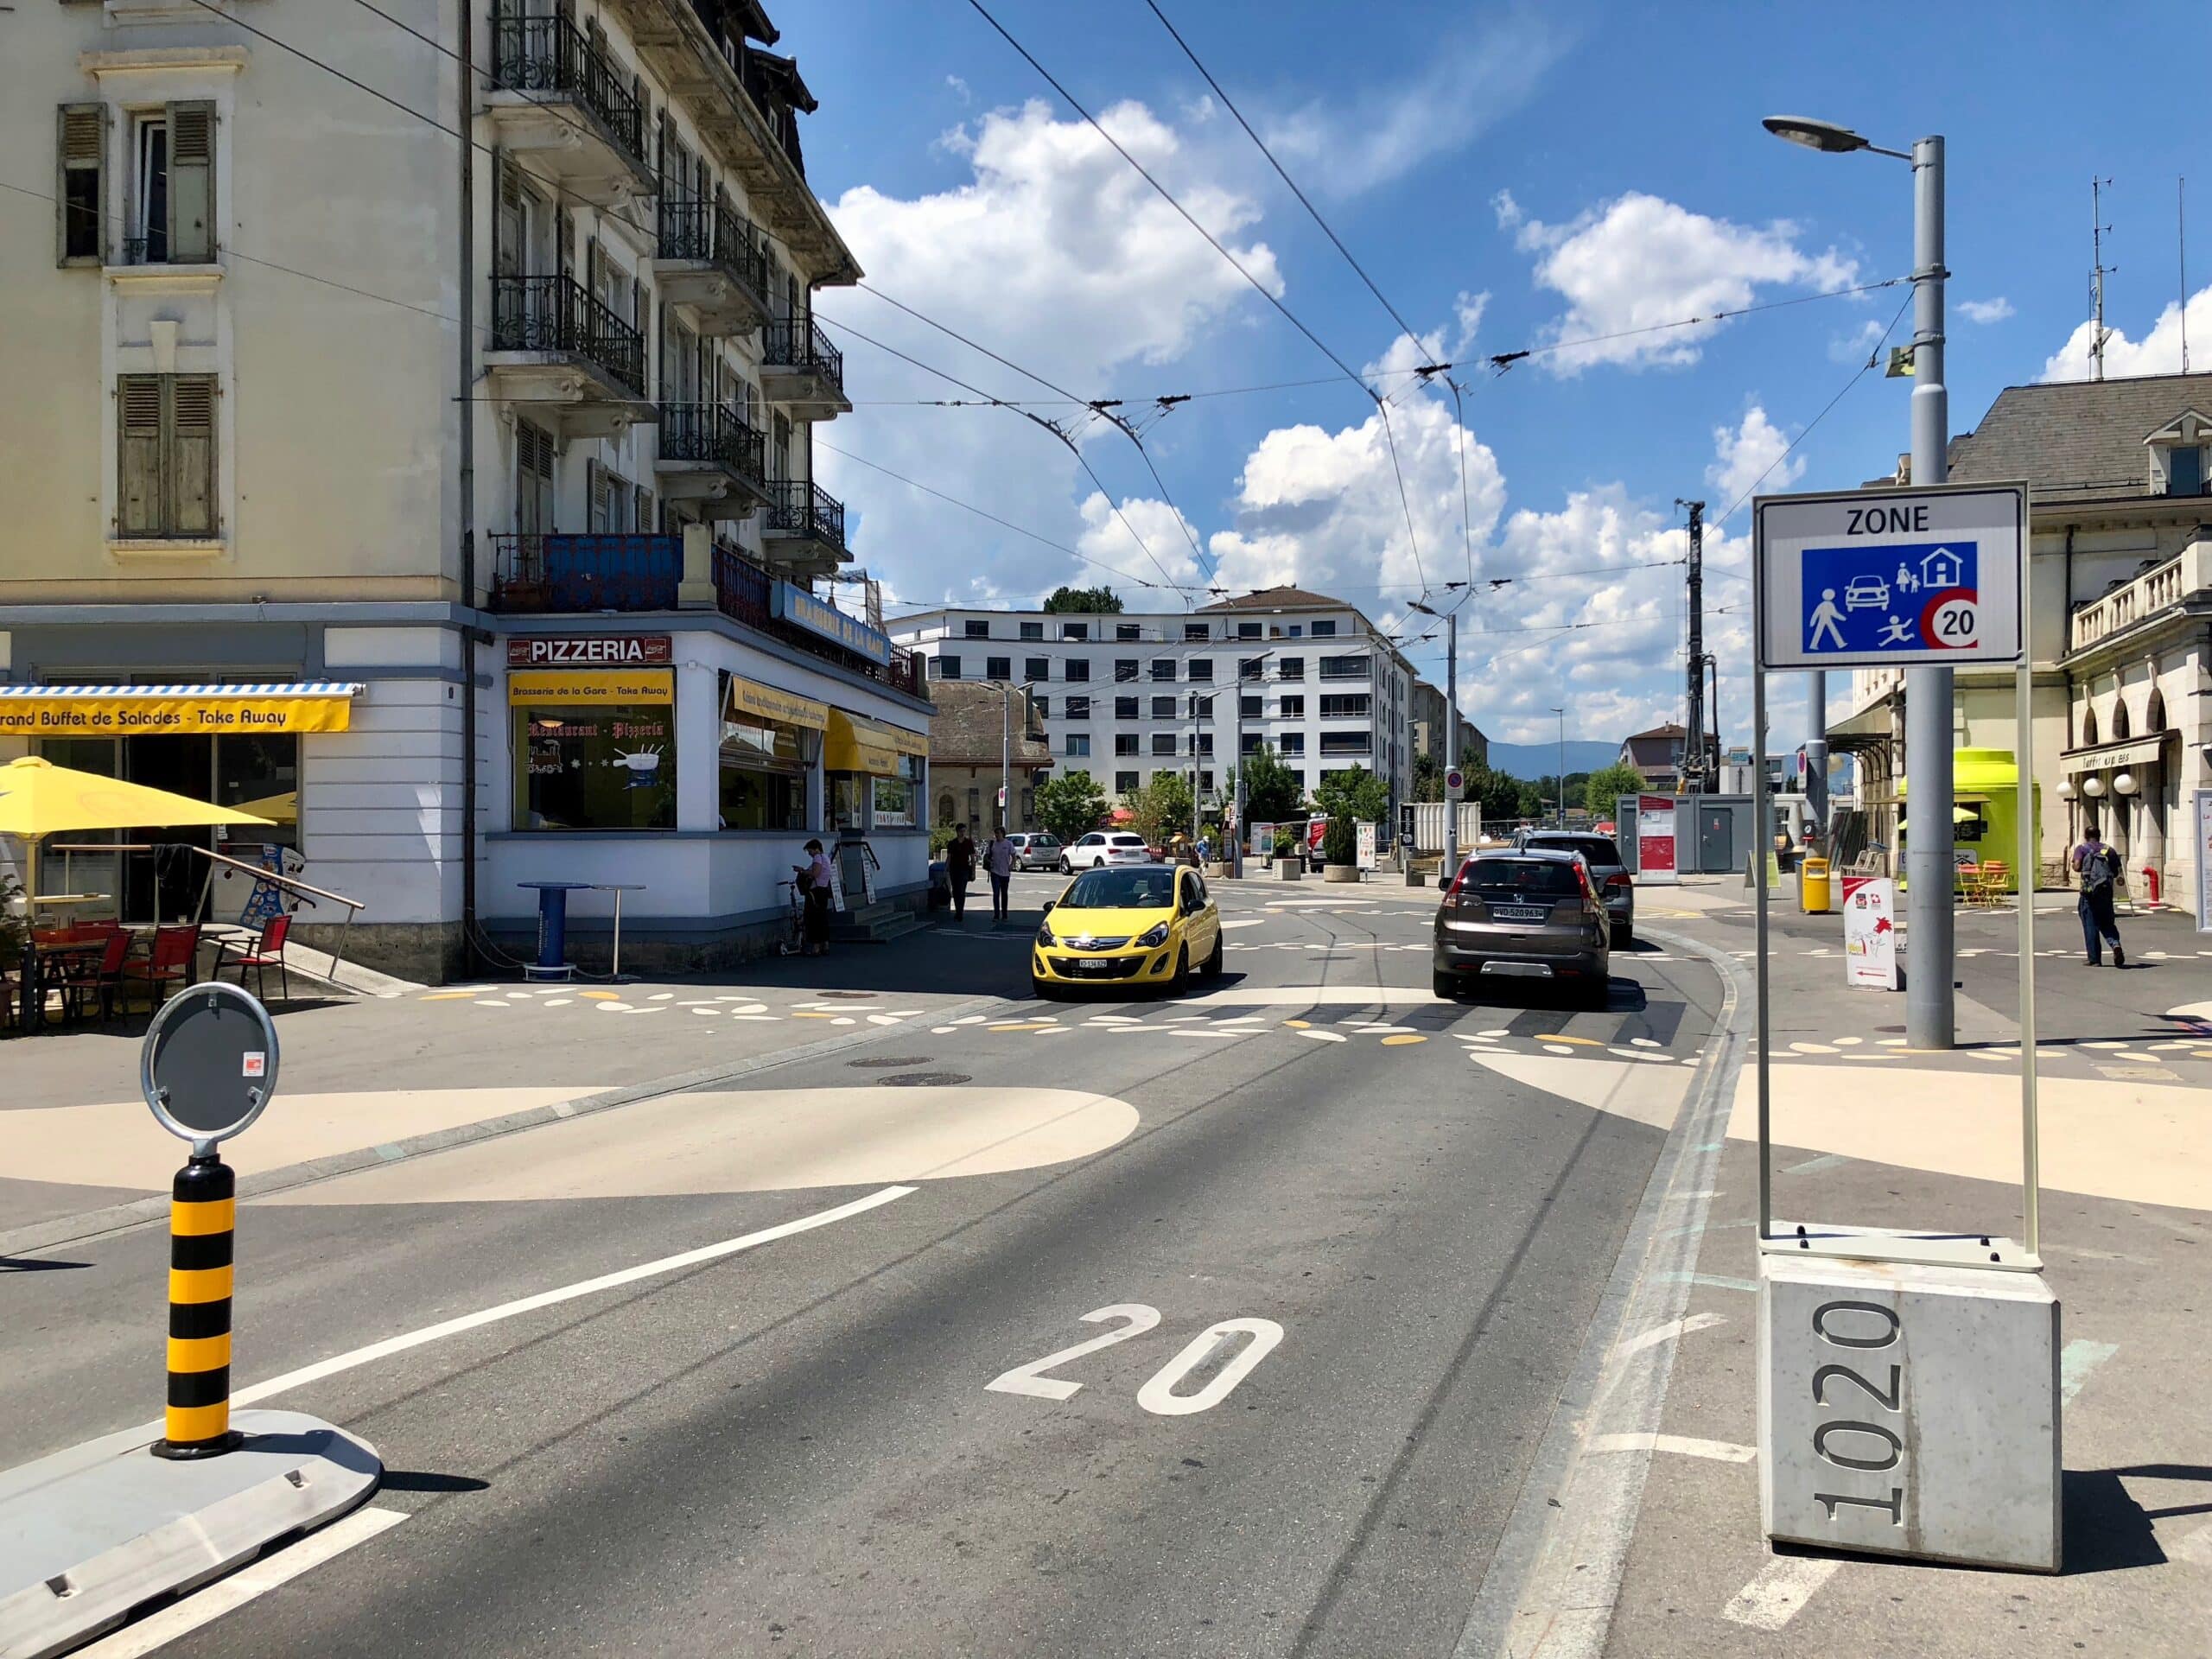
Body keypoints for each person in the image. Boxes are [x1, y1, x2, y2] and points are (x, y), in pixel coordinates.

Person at [2072, 821, 2125, 967]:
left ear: (2085, 836)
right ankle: (2115, 944)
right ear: (2100, 836)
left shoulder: (2082, 849)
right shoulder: (2109, 850)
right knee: (2107, 922)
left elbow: (2077, 867)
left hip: (2088, 893)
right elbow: (2116, 872)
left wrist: (2077, 865)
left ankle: (2094, 958)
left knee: (2090, 924)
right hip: (2105, 892)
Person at [793, 838, 834, 956]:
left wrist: (802, 871)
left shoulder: (817, 857)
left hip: (815, 892)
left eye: (810, 851)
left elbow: (816, 873)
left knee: (813, 918)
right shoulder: (826, 858)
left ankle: (816, 947)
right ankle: (825, 945)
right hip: (824, 890)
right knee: (822, 918)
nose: (809, 854)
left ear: (816, 849)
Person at [983, 825, 1016, 925]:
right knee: (996, 894)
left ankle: (1005, 914)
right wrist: (989, 861)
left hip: (1005, 872)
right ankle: (996, 915)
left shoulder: (1008, 844)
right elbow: (986, 856)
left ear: (1003, 834)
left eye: (998, 833)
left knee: (1004, 894)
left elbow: (1014, 856)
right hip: (995, 872)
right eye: (996, 833)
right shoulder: (992, 844)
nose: (996, 835)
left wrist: (1012, 865)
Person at [946, 823, 977, 921]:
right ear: (957, 832)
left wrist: (973, 872)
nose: (962, 833)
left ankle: (960, 912)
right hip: (954, 869)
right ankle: (958, 910)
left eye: (964, 831)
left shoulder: (968, 843)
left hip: (964, 869)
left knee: (962, 891)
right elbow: (949, 857)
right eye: (961, 831)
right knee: (955, 891)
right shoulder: (952, 843)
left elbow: (973, 858)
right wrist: (945, 869)